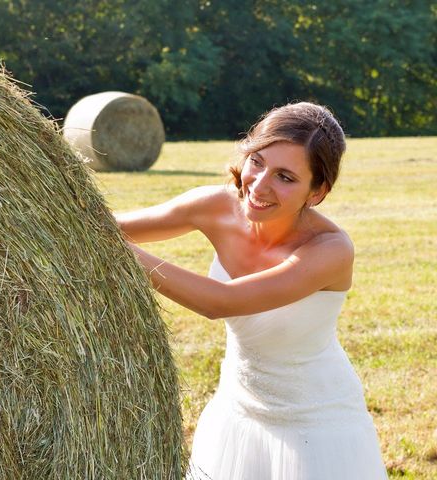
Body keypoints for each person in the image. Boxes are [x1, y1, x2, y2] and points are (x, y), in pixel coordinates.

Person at [116, 102, 388, 480]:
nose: (259, 185)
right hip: (237, 408)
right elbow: (106, 227)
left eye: (285, 177)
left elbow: (219, 302)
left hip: (315, 423)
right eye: (257, 161)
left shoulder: (330, 250)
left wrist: (118, 252)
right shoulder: (215, 205)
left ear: (317, 192)